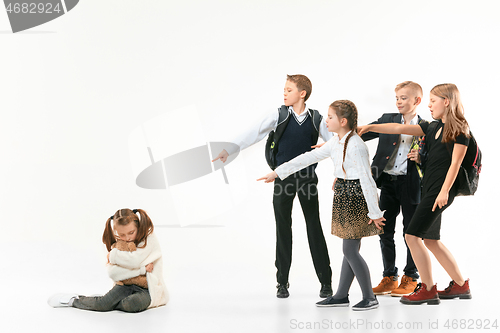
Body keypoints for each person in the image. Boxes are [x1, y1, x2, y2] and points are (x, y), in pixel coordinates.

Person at [213, 75, 333, 298]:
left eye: (289, 90)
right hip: (282, 180)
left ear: (302, 93)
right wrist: (229, 149)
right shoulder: (278, 115)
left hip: (308, 180)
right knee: (283, 230)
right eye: (284, 89)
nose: (284, 93)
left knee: (314, 228)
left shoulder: (316, 118)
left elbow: (335, 144)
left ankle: (326, 282)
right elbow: (253, 133)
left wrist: (342, 171)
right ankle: (282, 283)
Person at [258, 100, 386, 311]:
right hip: (344, 195)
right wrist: (278, 172)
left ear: (342, 121)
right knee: (349, 250)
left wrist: (374, 211)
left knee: (350, 250)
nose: (325, 120)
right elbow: (308, 157)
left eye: (330, 117)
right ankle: (341, 295)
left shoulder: (356, 145)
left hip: (355, 196)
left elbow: (367, 180)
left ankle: (369, 297)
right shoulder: (336, 142)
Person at [358, 83, 472, 305]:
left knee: (411, 236)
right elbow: (399, 129)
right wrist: (371, 128)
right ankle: (460, 284)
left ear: (446, 101)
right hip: (429, 189)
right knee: (431, 240)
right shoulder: (433, 128)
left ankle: (428, 289)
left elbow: (455, 164)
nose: (429, 105)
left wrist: (444, 192)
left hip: (437, 193)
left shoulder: (460, 130)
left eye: (433, 101)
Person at [361, 81, 426, 297]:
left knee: (411, 232)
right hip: (387, 181)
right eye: (397, 97)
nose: (399, 101)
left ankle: (411, 277)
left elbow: (437, 157)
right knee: (384, 230)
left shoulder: (427, 127)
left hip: (411, 184)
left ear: (417, 100)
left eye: (404, 98)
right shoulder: (387, 120)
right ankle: (389, 277)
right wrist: (334, 141)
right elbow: (361, 133)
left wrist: (421, 157)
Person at [47, 208, 168, 312]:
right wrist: (142, 269)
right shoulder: (117, 246)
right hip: (124, 285)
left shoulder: (149, 239)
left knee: (131, 304)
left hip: (146, 289)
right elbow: (113, 273)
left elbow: (134, 261)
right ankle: (74, 300)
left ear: (138, 227)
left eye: (131, 232)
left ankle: (108, 302)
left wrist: (113, 256)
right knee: (102, 305)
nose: (127, 238)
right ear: (116, 233)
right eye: (122, 235)